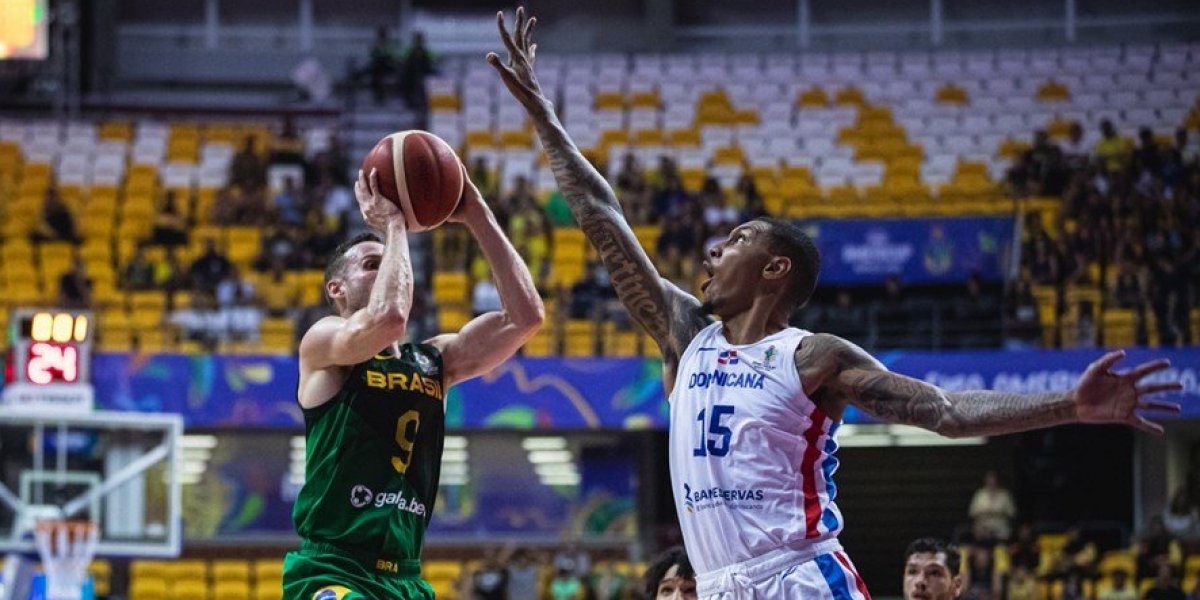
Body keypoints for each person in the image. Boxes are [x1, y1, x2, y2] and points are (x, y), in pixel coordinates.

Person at [488, 9, 1183, 599]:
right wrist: (545, 119)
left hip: (798, 577)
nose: (711, 254)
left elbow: (941, 411)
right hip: (718, 581)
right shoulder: (685, 334)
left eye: (734, 242)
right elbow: (603, 219)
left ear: (774, 269)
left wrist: (1070, 405)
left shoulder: (811, 358)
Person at [281, 167, 544, 600]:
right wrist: (394, 225)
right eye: (370, 265)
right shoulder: (324, 340)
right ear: (337, 289)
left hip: (406, 578)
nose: (386, 268)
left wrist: (477, 213)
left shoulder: (435, 359)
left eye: (389, 263)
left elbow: (527, 318)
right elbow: (388, 319)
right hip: (333, 568)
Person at [968, 472, 1016, 541]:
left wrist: (998, 513)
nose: (991, 484)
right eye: (989, 482)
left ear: (997, 482)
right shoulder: (980, 494)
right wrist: (983, 513)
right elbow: (972, 512)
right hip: (983, 527)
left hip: (1000, 526)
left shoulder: (1005, 495)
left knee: (1001, 542)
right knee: (979, 533)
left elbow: (1012, 513)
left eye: (993, 481)